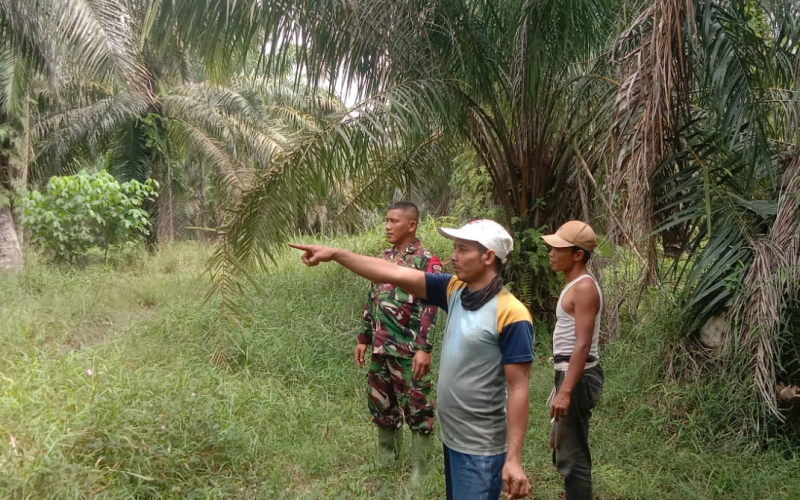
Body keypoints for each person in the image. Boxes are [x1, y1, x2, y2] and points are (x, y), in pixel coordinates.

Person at [291, 219, 533, 500]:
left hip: (481, 447)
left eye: (462, 249)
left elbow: (518, 388)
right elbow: (391, 272)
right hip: (453, 438)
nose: (452, 256)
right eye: (454, 248)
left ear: (488, 256)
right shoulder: (454, 290)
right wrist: (335, 254)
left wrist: (513, 459)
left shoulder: (511, 313)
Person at [356, 202, 442, 488]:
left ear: (411, 225)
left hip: (408, 352)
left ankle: (419, 472)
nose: (388, 226)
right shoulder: (384, 258)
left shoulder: (426, 260)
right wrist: (364, 337)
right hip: (381, 349)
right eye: (387, 221)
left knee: (418, 407)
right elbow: (373, 299)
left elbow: (430, 306)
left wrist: (424, 348)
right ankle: (387, 462)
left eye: (394, 221)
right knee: (381, 406)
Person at [542, 221, 604, 500]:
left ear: (578, 254)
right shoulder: (575, 285)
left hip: (576, 376)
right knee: (563, 448)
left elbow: (583, 344)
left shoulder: (584, 288)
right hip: (569, 372)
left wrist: (566, 390)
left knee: (573, 457)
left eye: (558, 248)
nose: (551, 253)